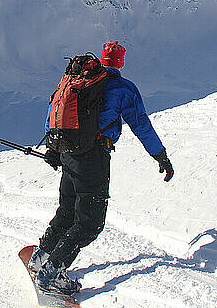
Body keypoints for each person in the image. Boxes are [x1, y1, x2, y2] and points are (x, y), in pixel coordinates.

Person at [29, 41, 174, 295]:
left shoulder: (77, 80)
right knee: (89, 222)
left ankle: (40, 257)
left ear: (102, 59)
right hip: (93, 158)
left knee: (67, 211)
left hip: (68, 153)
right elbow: (141, 125)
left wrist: (54, 149)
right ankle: (52, 272)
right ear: (121, 62)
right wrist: (160, 155)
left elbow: (54, 110)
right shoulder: (122, 88)